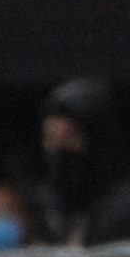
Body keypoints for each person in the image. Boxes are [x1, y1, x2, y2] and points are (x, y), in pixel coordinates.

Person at [38, 79, 130, 248]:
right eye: (51, 139)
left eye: (70, 138)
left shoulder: (123, 205)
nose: (60, 150)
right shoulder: (50, 204)